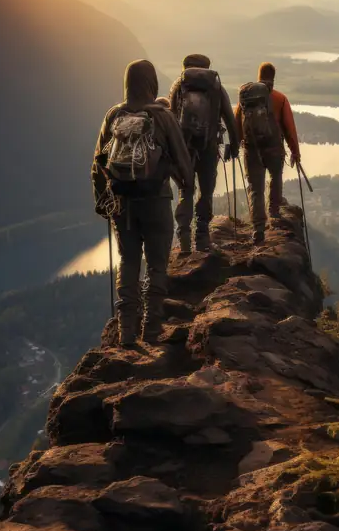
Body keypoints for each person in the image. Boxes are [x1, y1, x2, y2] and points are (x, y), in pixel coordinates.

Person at [92, 59, 193, 347]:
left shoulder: (113, 115)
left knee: (128, 262)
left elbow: (97, 163)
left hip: (122, 205)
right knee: (157, 266)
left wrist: (103, 202)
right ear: (151, 84)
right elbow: (183, 163)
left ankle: (126, 333)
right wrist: (186, 185)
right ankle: (151, 330)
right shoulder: (163, 117)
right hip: (157, 201)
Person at [169, 53, 239, 253]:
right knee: (206, 192)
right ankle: (202, 238)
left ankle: (183, 240)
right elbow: (230, 119)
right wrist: (233, 146)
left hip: (184, 149)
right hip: (208, 147)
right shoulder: (216, 87)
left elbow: (170, 118)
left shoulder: (178, 86)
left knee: (186, 190)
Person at [234, 61, 301, 245]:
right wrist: (295, 151)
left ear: (259, 76)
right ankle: (275, 213)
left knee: (255, 188)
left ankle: (258, 228)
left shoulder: (246, 97)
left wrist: (238, 143)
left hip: (252, 149)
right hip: (274, 149)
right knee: (276, 177)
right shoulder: (280, 98)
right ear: (273, 77)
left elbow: (237, 122)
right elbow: (289, 128)